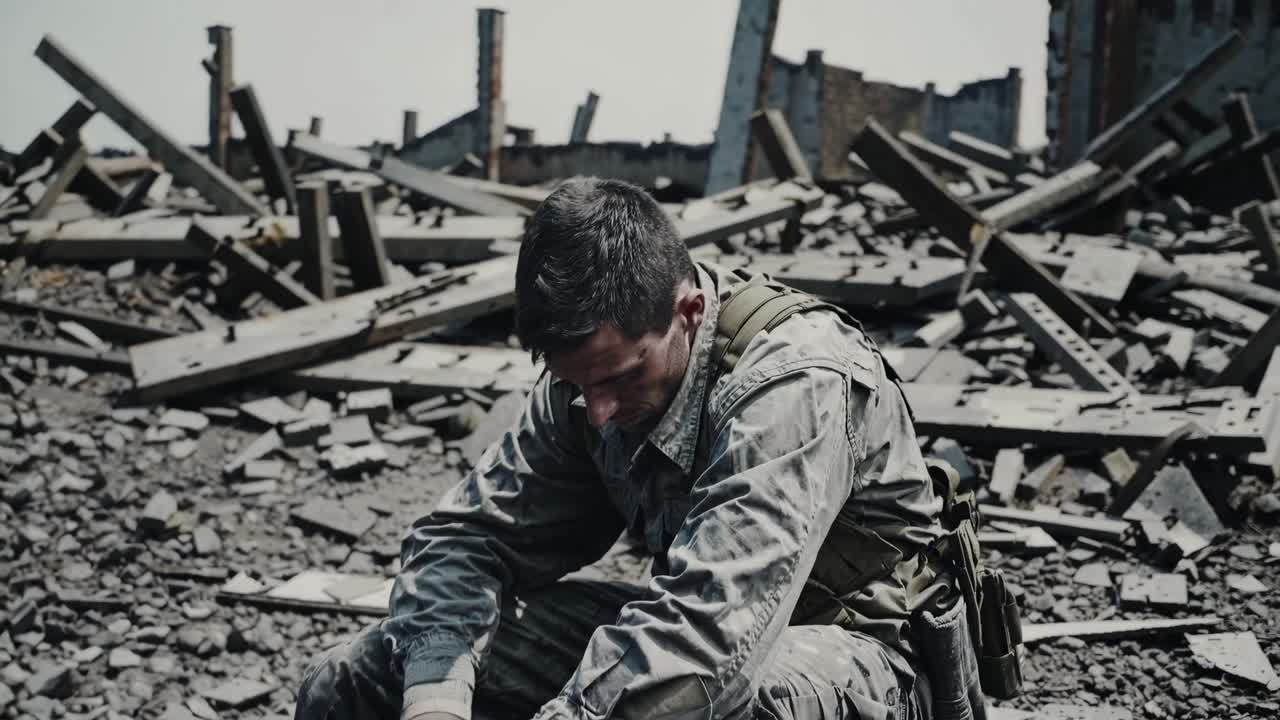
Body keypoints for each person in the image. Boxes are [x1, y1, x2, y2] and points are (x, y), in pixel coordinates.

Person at [295, 177, 965, 720]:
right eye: (576, 384)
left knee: (730, 704)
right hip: (711, 630)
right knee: (363, 673)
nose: (599, 412)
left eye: (619, 378)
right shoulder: (591, 382)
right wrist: (435, 704)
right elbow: (467, 540)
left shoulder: (794, 381)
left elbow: (712, 642)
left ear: (688, 313)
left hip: (868, 660)